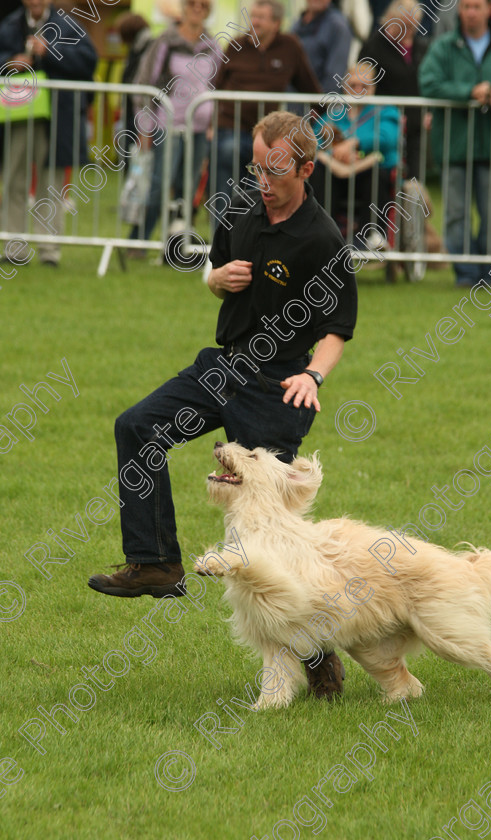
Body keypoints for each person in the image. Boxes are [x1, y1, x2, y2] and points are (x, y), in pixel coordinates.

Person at [88, 110, 358, 701]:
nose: (262, 179)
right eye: (256, 166)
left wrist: (314, 373)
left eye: (276, 169)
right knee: (136, 426)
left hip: (279, 386)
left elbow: (339, 326)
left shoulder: (322, 238)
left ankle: (318, 657)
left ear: (307, 168)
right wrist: (217, 281)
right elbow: (212, 271)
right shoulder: (239, 208)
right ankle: (155, 561)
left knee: (268, 538)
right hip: (225, 364)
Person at [419, 0, 491, 287]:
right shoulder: (444, 46)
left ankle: (490, 275)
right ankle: (465, 275)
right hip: (454, 146)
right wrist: (469, 92)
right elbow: (428, 82)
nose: (470, 12)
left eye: (476, 6)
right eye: (465, 7)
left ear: (490, 8)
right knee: (456, 216)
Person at [0, 0, 97, 267]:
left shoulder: (68, 24)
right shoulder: (9, 25)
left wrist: (50, 51)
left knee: (51, 183)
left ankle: (49, 250)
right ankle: (13, 247)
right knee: (13, 178)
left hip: (56, 118)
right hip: (16, 115)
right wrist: (10, 62)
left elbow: (88, 61)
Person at [213, 0, 322, 205]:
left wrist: (322, 117)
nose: (254, 22)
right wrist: (212, 124)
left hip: (268, 135)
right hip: (231, 127)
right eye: (252, 16)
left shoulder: (290, 46)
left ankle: (256, 232)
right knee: (228, 162)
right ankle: (222, 233)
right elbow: (215, 87)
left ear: (276, 23)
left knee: (262, 189)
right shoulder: (236, 45)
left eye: (260, 18)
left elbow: (310, 88)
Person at [129, 0, 218, 246]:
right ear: (184, 7)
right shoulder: (165, 42)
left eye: (203, 4)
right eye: (192, 3)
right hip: (166, 125)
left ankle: (175, 245)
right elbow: (144, 84)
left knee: (188, 188)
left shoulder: (213, 46)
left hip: (200, 129)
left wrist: (213, 123)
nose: (197, 8)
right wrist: (144, 128)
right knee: (159, 183)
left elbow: (217, 86)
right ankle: (138, 240)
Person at [310, 62, 399, 244]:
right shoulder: (334, 113)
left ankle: (371, 234)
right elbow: (314, 140)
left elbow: (387, 137)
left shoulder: (386, 110)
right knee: (319, 171)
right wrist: (336, 153)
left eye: (364, 86)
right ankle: (323, 233)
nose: (358, 90)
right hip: (336, 173)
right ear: (344, 87)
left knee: (376, 175)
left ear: (373, 88)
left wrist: (353, 144)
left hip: (370, 172)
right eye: (353, 86)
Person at [359, 0, 429, 181]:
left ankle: (412, 208)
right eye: (405, 25)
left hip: (415, 125)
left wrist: (429, 111)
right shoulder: (374, 47)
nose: (409, 31)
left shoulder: (421, 47)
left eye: (413, 26)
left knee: (414, 179)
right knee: (387, 177)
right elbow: (362, 82)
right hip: (383, 125)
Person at [291, 0, 353, 93]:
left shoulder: (338, 26)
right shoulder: (297, 24)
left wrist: (322, 103)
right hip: (294, 99)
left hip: (320, 101)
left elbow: (335, 74)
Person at [116, 13, 153, 168]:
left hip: (142, 107)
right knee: (130, 148)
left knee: (137, 151)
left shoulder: (149, 46)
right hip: (133, 106)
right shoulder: (137, 48)